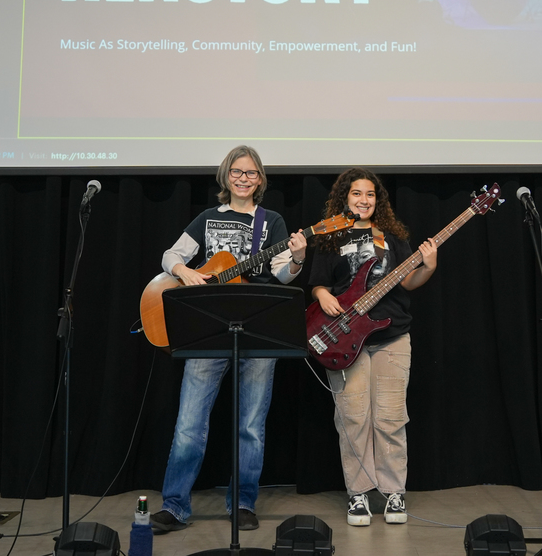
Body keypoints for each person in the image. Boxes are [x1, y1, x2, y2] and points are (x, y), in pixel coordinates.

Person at [150, 145, 307, 533]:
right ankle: (175, 506)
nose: (243, 178)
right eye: (236, 171)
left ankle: (242, 503)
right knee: (189, 423)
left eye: (251, 173)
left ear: (260, 180)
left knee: (251, 425)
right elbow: (171, 255)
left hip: (257, 329)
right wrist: (184, 272)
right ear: (226, 176)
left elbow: (282, 275)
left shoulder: (271, 222)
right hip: (208, 331)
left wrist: (299, 258)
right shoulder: (207, 219)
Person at [308, 168, 437, 527]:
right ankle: (358, 495)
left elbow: (409, 282)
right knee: (352, 417)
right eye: (356, 194)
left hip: (392, 336)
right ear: (343, 199)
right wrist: (324, 297)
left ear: (377, 201)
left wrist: (429, 265)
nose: (363, 200)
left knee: (391, 417)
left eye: (370, 195)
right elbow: (317, 283)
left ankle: (394, 493)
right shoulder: (329, 235)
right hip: (345, 337)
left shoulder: (392, 238)